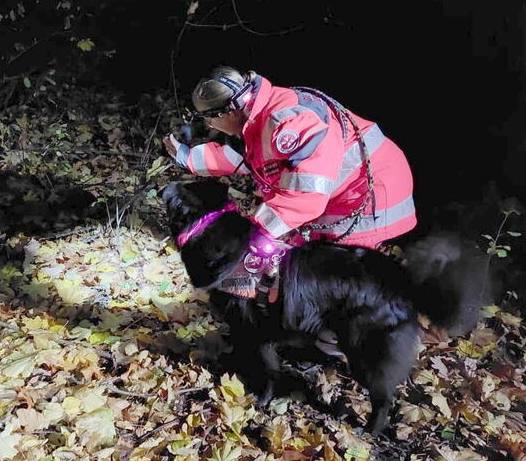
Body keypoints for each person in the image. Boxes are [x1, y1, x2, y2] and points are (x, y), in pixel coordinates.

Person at [164, 66, 417, 298]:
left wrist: (255, 233)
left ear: (227, 111)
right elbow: (244, 157)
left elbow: (306, 198)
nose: (210, 125)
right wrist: (188, 157)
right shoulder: (256, 118)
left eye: (209, 118)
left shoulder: (288, 124)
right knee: (298, 256)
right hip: (341, 192)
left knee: (332, 273)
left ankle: (344, 328)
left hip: (371, 192)